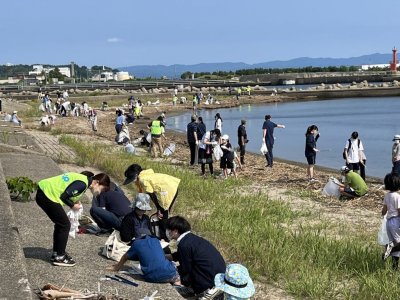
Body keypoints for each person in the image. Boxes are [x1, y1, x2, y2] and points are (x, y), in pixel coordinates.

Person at [36, 171, 93, 266]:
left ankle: (56, 253)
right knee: (65, 225)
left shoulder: (79, 178)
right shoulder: (83, 183)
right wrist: (73, 205)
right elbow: (64, 196)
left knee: (60, 224)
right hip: (47, 196)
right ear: (97, 182)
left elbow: (69, 192)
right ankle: (60, 257)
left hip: (44, 192)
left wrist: (74, 202)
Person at [166, 216, 226, 298]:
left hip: (207, 282)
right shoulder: (191, 239)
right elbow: (182, 255)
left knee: (174, 278)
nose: (168, 232)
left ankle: (193, 292)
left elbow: (186, 268)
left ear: (176, 231)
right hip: (218, 277)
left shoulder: (184, 245)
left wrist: (181, 281)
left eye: (169, 230)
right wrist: (167, 257)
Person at [122, 164, 180, 240]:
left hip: (169, 190)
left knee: (163, 215)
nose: (132, 181)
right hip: (170, 187)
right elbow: (144, 194)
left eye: (132, 179)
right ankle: (164, 235)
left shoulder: (143, 179)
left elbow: (152, 194)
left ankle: (165, 238)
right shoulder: (144, 175)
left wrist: (158, 208)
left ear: (136, 175)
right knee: (163, 214)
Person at [107, 235, 180, 284]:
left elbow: (125, 256)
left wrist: (117, 267)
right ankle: (179, 284)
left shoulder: (136, 243)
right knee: (174, 268)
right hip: (170, 273)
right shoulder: (156, 240)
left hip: (150, 278)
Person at [381, 173, 400, 266]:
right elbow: (399, 210)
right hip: (395, 221)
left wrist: (383, 215)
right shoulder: (397, 196)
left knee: (393, 241)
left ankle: (395, 266)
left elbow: (384, 210)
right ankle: (389, 249)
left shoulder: (387, 195)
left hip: (389, 222)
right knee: (398, 242)